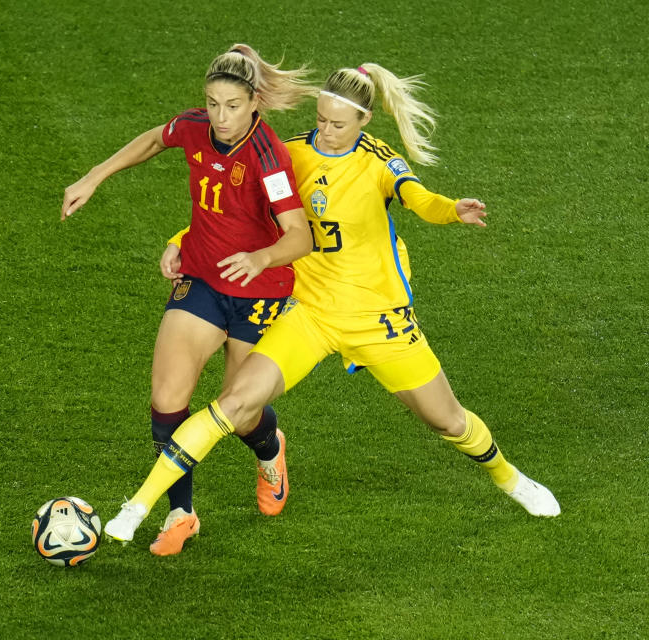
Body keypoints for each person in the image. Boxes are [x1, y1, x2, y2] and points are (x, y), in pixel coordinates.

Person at [103, 62, 560, 546]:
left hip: (378, 321)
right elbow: (245, 217)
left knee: (447, 420)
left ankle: (510, 478)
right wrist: (182, 237)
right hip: (311, 316)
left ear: (364, 122)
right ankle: (138, 508)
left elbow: (417, 197)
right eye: (321, 118)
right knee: (235, 402)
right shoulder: (291, 154)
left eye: (338, 124)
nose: (326, 130)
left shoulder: (380, 162)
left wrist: (451, 211)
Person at [61, 45, 314, 555]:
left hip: (258, 294)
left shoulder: (269, 157)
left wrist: (260, 259)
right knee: (168, 399)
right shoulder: (197, 126)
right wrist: (94, 176)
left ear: (255, 102)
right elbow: (155, 139)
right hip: (200, 279)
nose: (220, 117)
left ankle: (270, 449)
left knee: (241, 413)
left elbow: (300, 237)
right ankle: (181, 512)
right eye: (213, 103)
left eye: (232, 106)